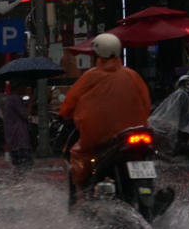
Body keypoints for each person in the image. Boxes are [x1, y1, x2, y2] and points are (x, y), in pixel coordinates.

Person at [57, 32, 151, 195]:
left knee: (78, 155)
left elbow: (69, 104)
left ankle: (81, 195)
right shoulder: (133, 75)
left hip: (100, 138)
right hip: (135, 133)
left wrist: (64, 114)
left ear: (97, 54)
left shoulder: (90, 76)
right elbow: (146, 103)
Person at [0, 82, 33, 169]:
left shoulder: (9, 99)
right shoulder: (15, 98)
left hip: (13, 138)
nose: (25, 89)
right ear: (18, 87)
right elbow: (25, 115)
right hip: (19, 138)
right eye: (23, 87)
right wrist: (30, 103)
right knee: (25, 166)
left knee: (19, 166)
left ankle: (19, 181)